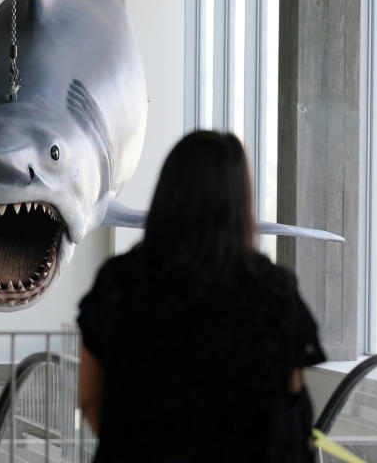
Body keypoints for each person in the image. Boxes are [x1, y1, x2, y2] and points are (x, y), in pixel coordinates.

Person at [77, 130, 326, 462]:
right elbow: (290, 405)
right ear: (239, 202)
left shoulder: (119, 282)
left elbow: (91, 398)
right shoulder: (273, 290)